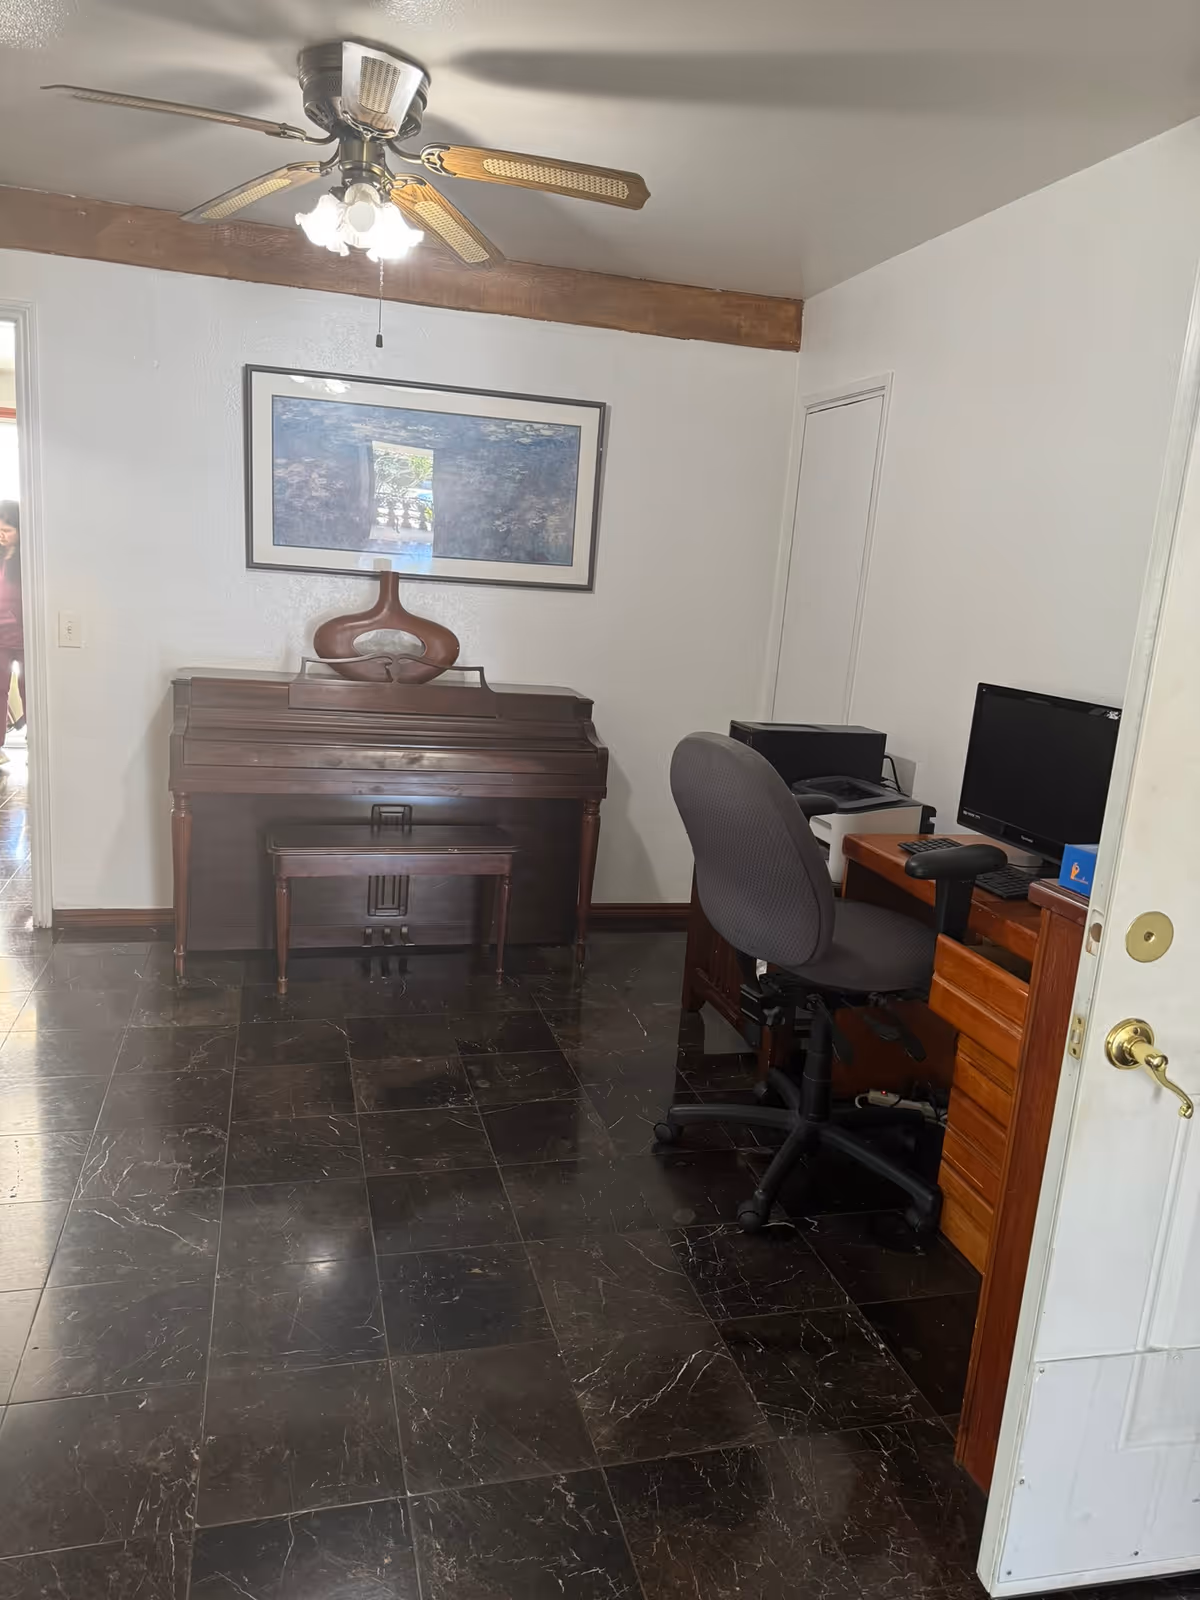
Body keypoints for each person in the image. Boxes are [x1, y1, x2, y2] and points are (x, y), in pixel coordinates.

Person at [0, 501, 23, 764]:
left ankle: (36, 742)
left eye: (7, 529)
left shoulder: (29, 560)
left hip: (26, 638)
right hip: (1, 638)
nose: (2, 534)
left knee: (32, 691)